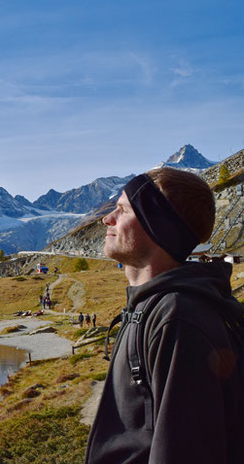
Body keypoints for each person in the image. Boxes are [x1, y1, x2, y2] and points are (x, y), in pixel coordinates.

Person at [86, 167, 244, 464]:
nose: (108, 219)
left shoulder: (177, 319)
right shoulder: (152, 307)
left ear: (155, 226)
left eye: (122, 210)